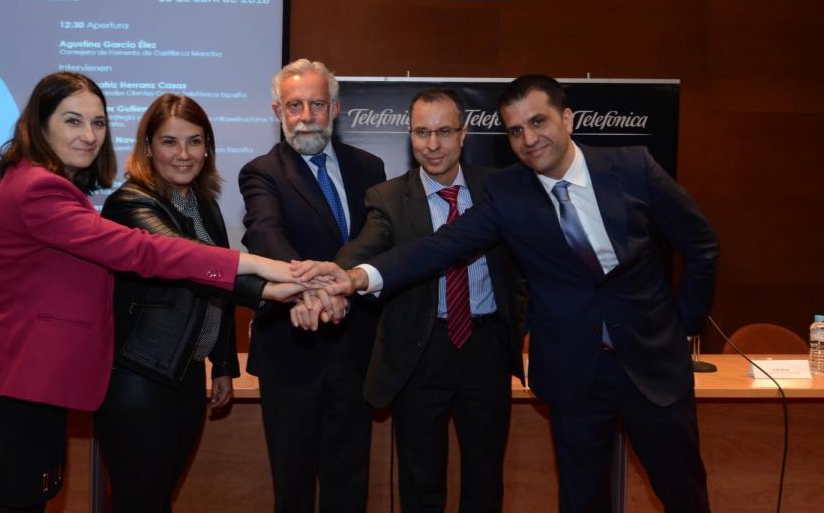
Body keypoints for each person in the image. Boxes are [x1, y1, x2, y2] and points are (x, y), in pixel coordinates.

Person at [297, 75, 720, 513]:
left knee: (683, 493)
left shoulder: (633, 165)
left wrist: (681, 325)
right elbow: (439, 247)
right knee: (582, 500)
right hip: (576, 377)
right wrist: (356, 278)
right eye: (516, 130)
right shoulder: (508, 194)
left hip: (652, 366)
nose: (529, 138)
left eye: (539, 121)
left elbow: (701, 243)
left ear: (568, 119)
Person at [0, 72, 299, 513]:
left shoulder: (52, 185)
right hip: (17, 375)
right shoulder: (39, 189)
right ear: (40, 125)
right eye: (73, 121)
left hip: (31, 375)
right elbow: (141, 250)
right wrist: (258, 267)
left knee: (27, 500)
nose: (89, 135)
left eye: (98, 123)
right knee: (20, 502)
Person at [317, 88, 526, 512]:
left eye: (444, 132)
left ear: (463, 134)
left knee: (485, 475)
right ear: (410, 137)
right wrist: (335, 279)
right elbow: (363, 248)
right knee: (420, 477)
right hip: (421, 349)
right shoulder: (389, 197)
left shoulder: (499, 189)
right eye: (421, 133)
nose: (432, 145)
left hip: (487, 346)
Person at [93, 93, 302, 512]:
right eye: (170, 142)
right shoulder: (128, 204)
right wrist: (266, 287)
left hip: (184, 376)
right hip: (139, 380)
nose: (184, 154)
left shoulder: (203, 202)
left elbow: (215, 288)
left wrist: (222, 366)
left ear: (208, 146)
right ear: (148, 147)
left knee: (159, 495)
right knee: (141, 500)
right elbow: (190, 262)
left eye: (195, 141)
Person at [239, 59, 386, 512]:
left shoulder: (370, 167)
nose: (306, 116)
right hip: (291, 351)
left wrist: (338, 287)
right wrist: (313, 291)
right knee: (293, 486)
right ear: (277, 111)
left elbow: (376, 238)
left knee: (350, 483)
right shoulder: (261, 171)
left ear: (336, 109)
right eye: (295, 105)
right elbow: (266, 234)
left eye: (317, 104)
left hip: (356, 349)